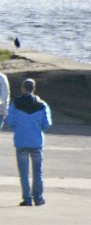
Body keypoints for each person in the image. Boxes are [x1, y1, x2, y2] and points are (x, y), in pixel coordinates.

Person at [9, 78, 52, 206]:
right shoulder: (42, 105)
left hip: (21, 141)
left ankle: (27, 198)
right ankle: (38, 197)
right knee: (37, 172)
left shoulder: (15, 103)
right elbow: (47, 124)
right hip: (36, 142)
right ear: (34, 89)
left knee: (23, 173)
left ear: (23, 88)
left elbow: (10, 122)